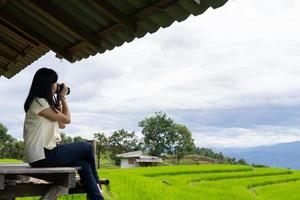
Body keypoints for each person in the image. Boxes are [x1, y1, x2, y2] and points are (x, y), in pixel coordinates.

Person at [23, 68, 104, 200]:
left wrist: (59, 101)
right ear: (48, 84)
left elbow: (62, 125)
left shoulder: (42, 104)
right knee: (87, 147)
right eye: (55, 82)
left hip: (41, 156)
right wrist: (63, 97)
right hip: (45, 155)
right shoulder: (40, 102)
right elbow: (67, 119)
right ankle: (97, 184)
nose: (57, 85)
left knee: (84, 165)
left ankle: (97, 197)